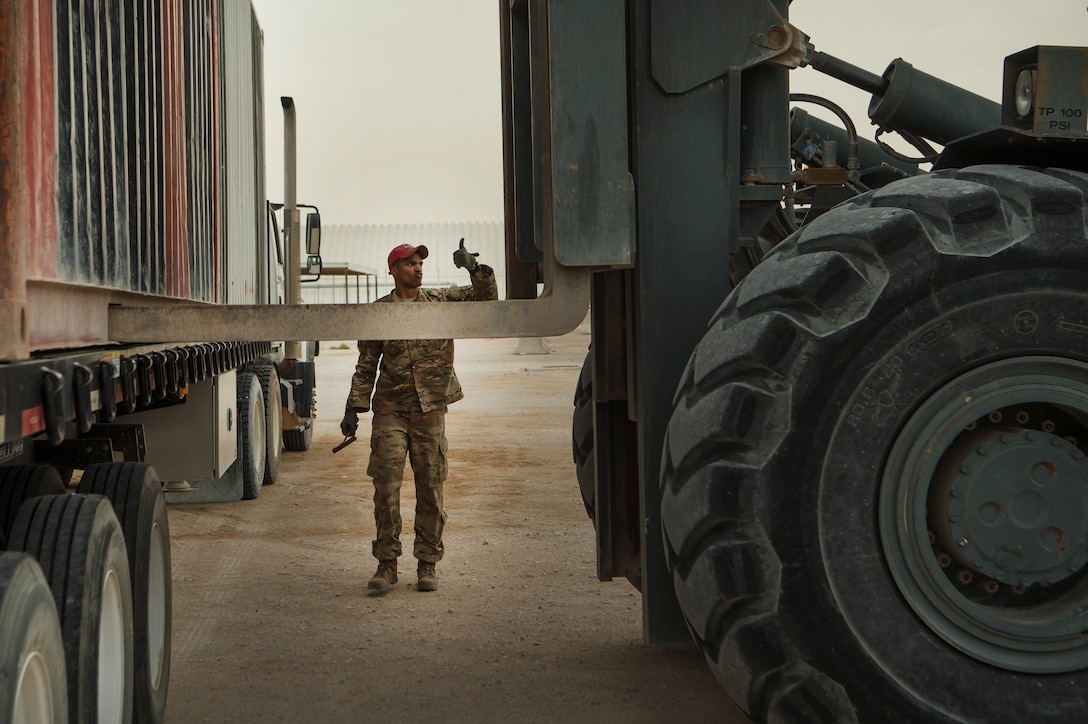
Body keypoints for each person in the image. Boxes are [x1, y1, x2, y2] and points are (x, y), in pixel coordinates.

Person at [340, 239, 497, 595]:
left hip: (430, 411)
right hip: (391, 411)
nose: (418, 268)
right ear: (393, 270)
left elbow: (486, 299)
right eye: (409, 263)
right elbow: (366, 365)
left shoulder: (441, 301)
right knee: (386, 488)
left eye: (419, 263)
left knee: (430, 487)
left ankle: (427, 563)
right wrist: (354, 406)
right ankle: (387, 564)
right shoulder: (379, 311)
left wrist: (475, 269)